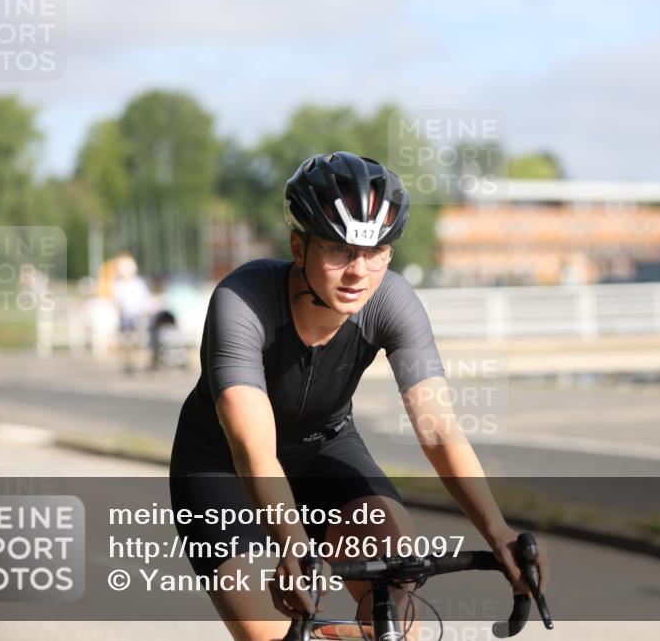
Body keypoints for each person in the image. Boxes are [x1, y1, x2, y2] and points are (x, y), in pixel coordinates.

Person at [169, 152, 546, 641]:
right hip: (224, 467)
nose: (358, 272)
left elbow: (437, 428)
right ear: (298, 246)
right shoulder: (243, 301)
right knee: (270, 633)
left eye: (376, 252)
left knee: (397, 576)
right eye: (337, 250)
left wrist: (500, 535)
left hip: (325, 447)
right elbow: (253, 449)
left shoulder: (392, 301)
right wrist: (292, 544)